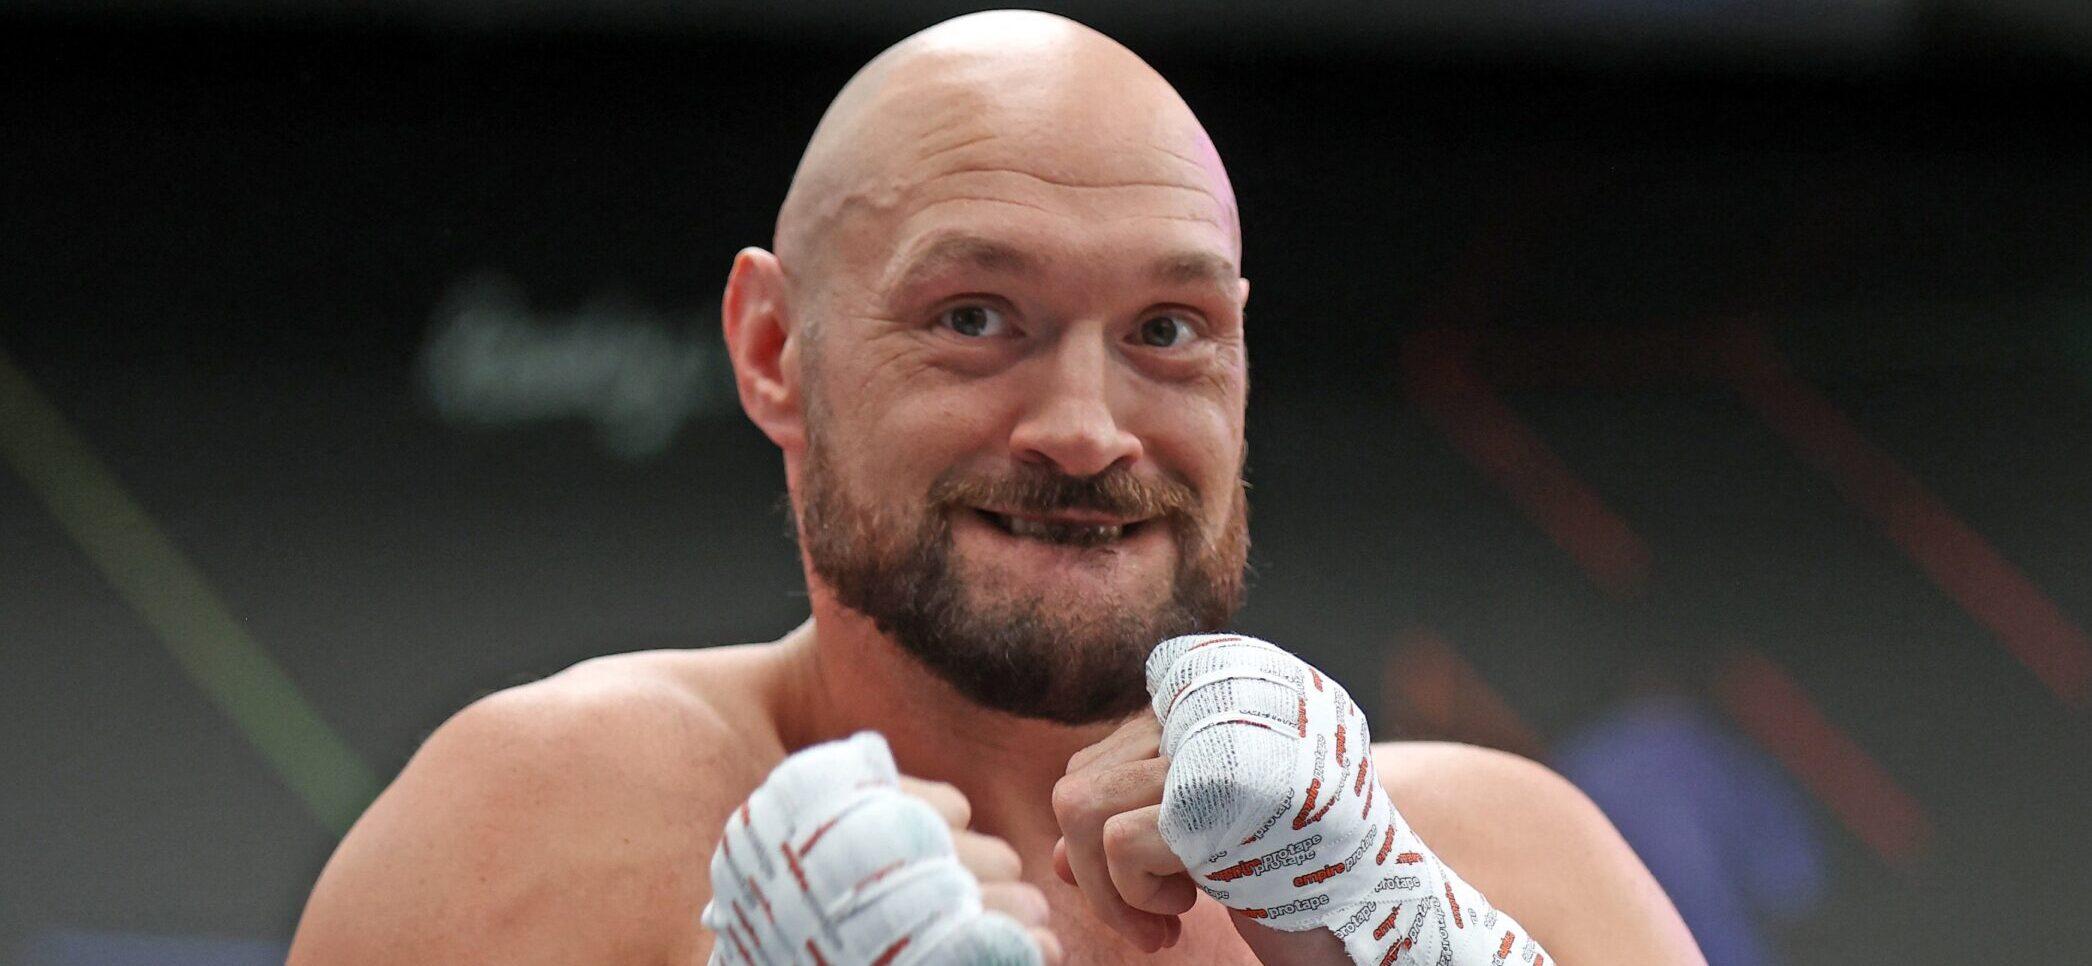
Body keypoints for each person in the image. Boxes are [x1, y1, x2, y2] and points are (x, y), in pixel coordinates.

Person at [288, 10, 1703, 964]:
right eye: (976, 317)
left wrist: (1414, 937)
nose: (1087, 428)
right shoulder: (540, 826)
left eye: (1167, 330)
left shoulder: (1511, 867)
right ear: (778, 351)